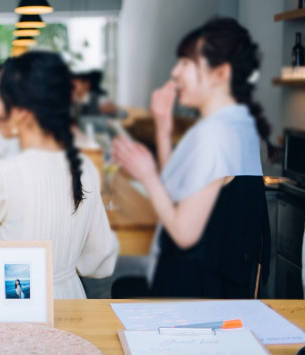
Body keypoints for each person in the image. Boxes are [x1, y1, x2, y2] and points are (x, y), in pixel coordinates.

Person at [112, 17, 272, 298]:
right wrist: (162, 131)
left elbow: (183, 231)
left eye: (187, 63)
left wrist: (147, 175)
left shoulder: (215, 135)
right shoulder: (235, 123)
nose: (175, 73)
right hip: (221, 284)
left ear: (220, 73)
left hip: (199, 292)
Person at [0, 51, 119, 299]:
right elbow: (98, 259)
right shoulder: (84, 166)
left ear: (22, 112)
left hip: (18, 303)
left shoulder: (5, 173)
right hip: (70, 297)